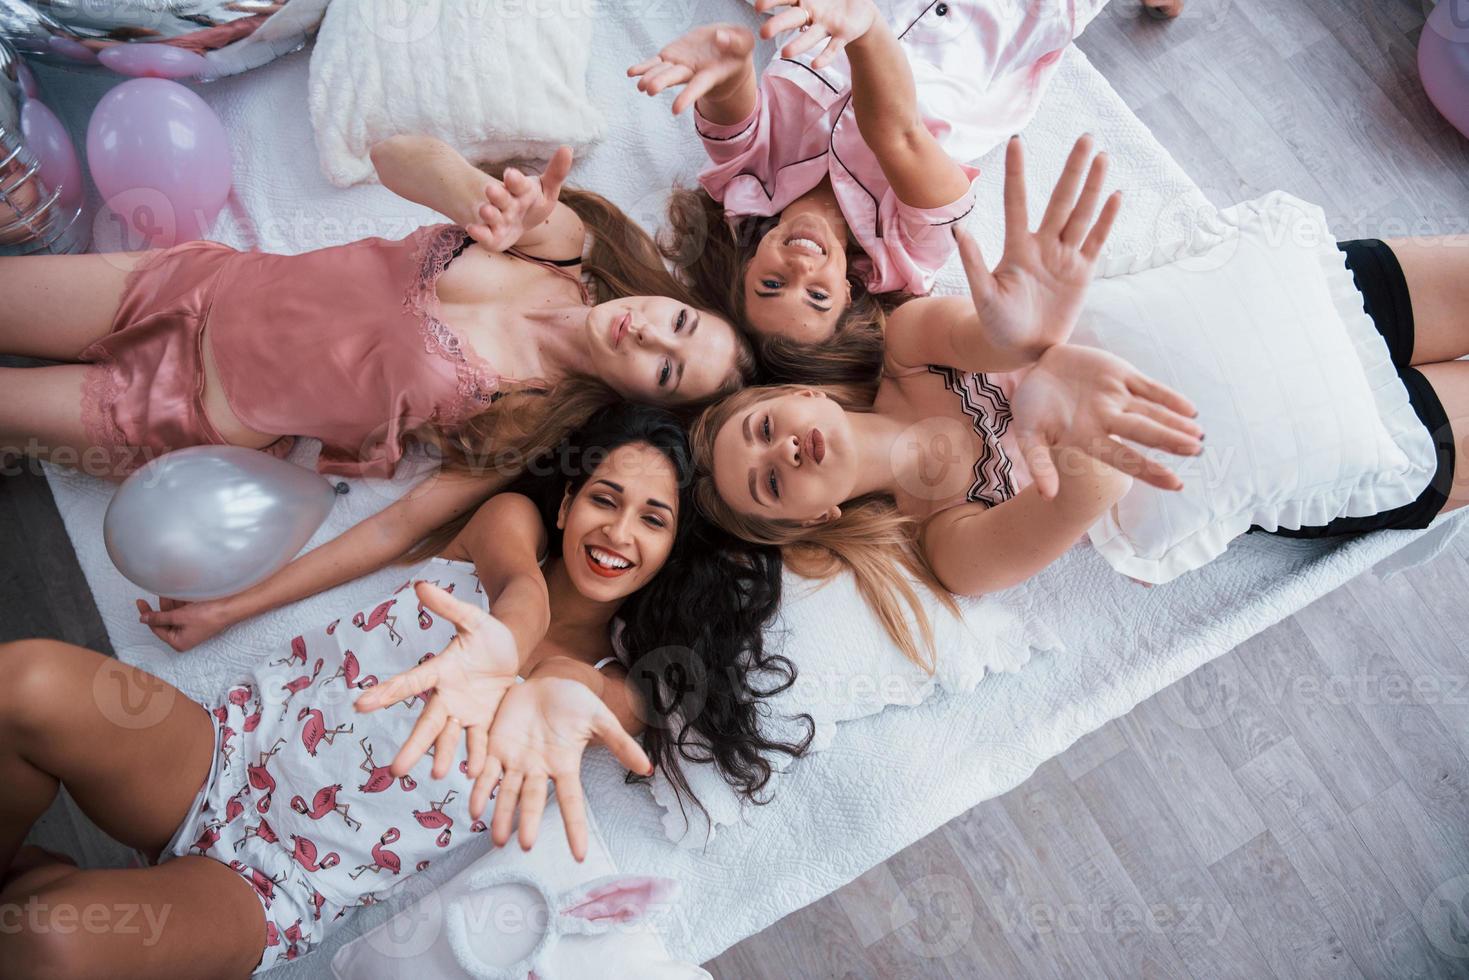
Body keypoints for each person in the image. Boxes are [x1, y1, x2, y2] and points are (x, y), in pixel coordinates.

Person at [0, 404, 808, 976]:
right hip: (222, 753)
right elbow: (519, 590)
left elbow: (563, 689)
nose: (618, 532)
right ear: (566, 502)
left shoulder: (609, 691)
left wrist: (536, 687)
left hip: (276, 884)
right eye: (604, 498)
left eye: (652, 520)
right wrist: (501, 642)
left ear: (669, 550)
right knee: (23, 683)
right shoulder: (503, 529)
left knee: (48, 939)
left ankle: (47, 893)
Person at [631, 0, 1107, 376]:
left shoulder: (746, 185)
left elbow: (729, 102)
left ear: (748, 265)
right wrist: (864, 26)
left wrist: (728, 56)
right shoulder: (910, 253)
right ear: (848, 293)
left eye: (772, 284)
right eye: (817, 296)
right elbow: (898, 135)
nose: (800, 268)